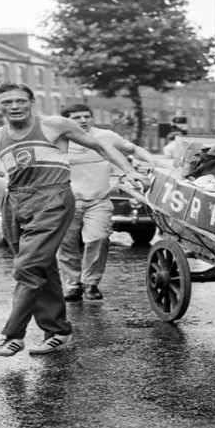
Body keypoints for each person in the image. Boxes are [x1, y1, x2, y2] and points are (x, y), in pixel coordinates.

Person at [0, 83, 145, 357]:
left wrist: (129, 170)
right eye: (7, 102)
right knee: (41, 267)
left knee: (27, 266)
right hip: (14, 201)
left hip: (53, 198)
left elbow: (99, 145)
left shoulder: (55, 125)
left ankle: (12, 335)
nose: (14, 106)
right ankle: (58, 331)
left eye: (20, 101)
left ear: (31, 102)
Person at [57, 104, 155, 302]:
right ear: (66, 120)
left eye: (87, 116)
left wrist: (152, 162)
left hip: (98, 200)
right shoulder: (57, 139)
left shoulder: (106, 137)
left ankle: (90, 283)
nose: (83, 121)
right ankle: (72, 284)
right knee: (66, 244)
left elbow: (133, 149)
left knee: (98, 238)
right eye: (77, 117)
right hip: (66, 201)